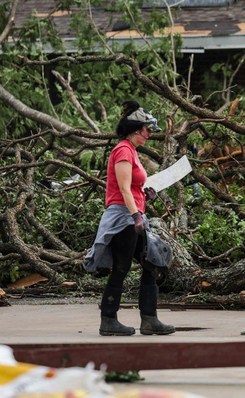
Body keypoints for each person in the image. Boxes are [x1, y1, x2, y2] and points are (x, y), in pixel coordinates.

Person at [83, 100, 176, 336]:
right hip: (123, 218)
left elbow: (132, 187)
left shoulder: (131, 151)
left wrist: (145, 192)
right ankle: (108, 320)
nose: (149, 134)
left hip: (133, 215)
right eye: (146, 130)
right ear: (136, 129)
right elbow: (123, 189)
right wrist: (136, 215)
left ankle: (149, 319)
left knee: (151, 263)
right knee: (122, 267)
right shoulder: (123, 150)